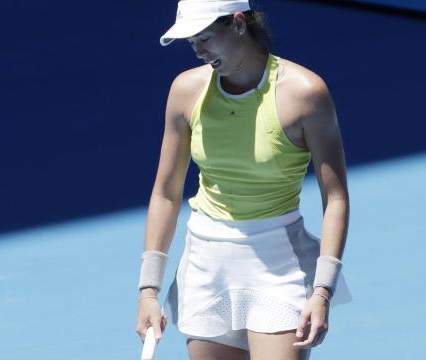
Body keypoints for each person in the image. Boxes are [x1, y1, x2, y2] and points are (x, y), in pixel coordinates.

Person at [135, 0, 352, 358]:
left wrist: (322, 290)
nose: (199, 51)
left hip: (279, 262)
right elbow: (166, 193)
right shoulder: (186, 91)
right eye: (192, 43)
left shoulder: (305, 93)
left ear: (238, 24)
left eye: (205, 37)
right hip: (207, 265)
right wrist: (148, 290)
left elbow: (336, 198)